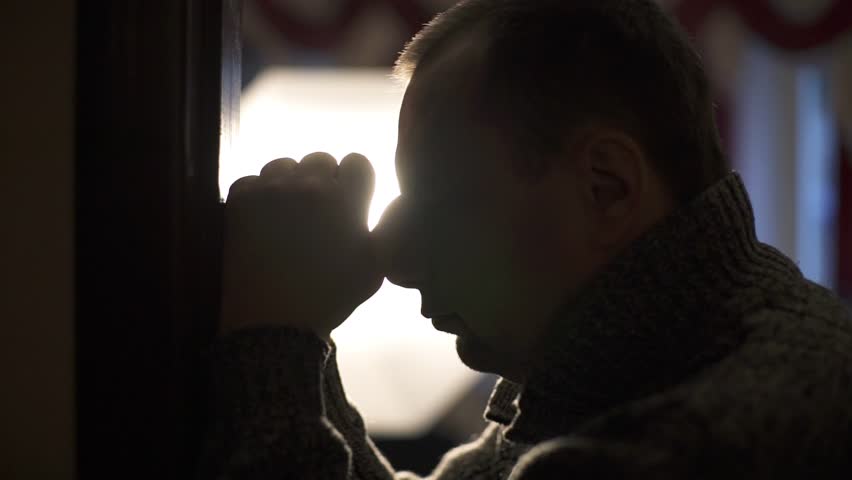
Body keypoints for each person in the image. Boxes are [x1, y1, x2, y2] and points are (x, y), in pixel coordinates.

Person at [201, 0, 852, 478]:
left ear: (609, 188)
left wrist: (274, 342)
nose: (394, 261)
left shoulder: (672, 449)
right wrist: (298, 339)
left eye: (443, 201)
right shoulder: (607, 372)